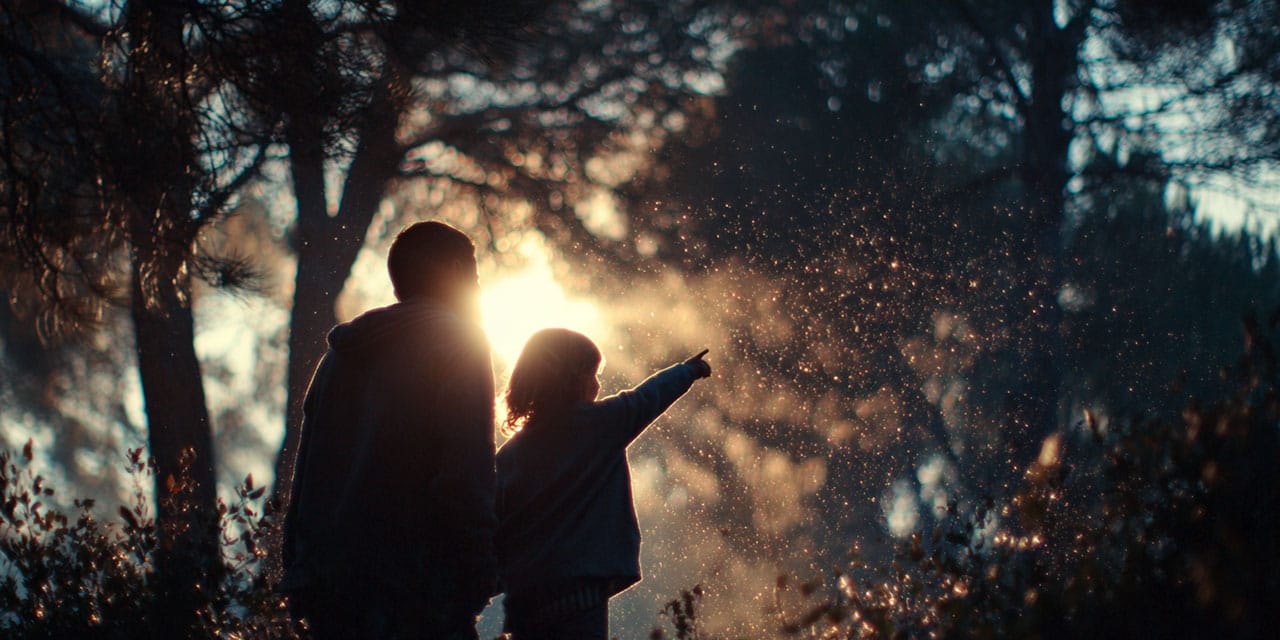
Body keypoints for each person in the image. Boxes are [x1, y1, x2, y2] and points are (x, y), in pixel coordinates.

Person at [281, 221, 498, 640]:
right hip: (418, 590)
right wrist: (477, 569)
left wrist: (299, 572)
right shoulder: (459, 342)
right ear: (455, 271)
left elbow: (306, 472)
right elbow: (467, 469)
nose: (477, 289)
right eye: (473, 276)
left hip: (332, 589)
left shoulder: (337, 359)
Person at [495, 328, 712, 639]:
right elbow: (648, 397)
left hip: (524, 603)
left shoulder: (510, 455)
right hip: (580, 593)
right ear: (572, 377)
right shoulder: (600, 425)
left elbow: (495, 527)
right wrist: (688, 370)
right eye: (592, 374)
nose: (597, 384)